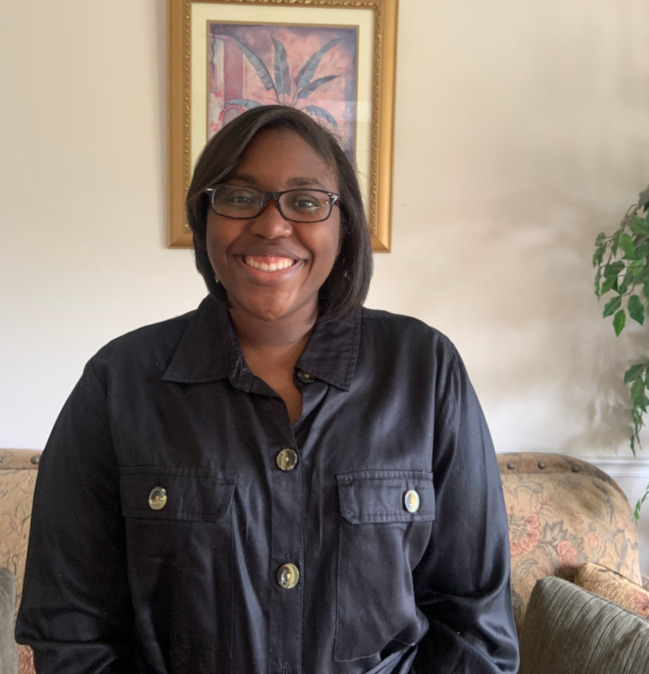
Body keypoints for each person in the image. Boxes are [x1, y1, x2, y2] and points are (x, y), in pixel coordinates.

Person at [16, 105, 519, 672]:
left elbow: (474, 624)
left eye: (305, 201)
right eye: (239, 196)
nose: (272, 225)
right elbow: (70, 627)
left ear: (345, 225)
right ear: (204, 218)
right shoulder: (120, 382)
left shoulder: (425, 371)